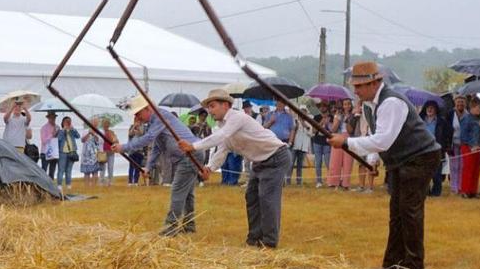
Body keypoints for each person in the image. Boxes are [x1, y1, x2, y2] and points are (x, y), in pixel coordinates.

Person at [328, 62, 441, 269]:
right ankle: (393, 265)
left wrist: (347, 142)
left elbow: (383, 140)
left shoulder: (390, 102)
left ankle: (415, 268)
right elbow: (376, 135)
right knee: (396, 212)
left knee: (409, 211)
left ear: (374, 83)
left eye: (359, 86)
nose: (356, 90)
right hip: (401, 160)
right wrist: (371, 161)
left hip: (419, 157)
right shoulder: (372, 105)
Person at [179, 89, 289, 248]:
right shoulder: (222, 126)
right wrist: (210, 168)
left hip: (276, 157)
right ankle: (254, 239)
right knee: (251, 197)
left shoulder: (237, 118)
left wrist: (193, 146)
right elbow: (222, 149)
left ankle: (269, 243)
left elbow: (221, 137)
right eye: (209, 107)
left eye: (213, 106)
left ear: (226, 105)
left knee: (267, 199)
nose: (210, 111)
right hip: (259, 161)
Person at [113, 97, 205, 235]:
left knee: (177, 191)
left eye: (138, 113)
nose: (136, 116)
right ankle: (189, 226)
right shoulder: (155, 121)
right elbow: (157, 146)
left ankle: (170, 228)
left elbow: (148, 139)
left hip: (189, 155)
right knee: (187, 193)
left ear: (148, 109)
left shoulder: (160, 117)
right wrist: (148, 167)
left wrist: (124, 147)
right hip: (187, 155)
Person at [419, 101, 449, 197]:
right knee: (423, 173)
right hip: (423, 150)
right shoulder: (419, 121)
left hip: (437, 149)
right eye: (428, 107)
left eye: (432, 108)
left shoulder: (442, 122)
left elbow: (447, 134)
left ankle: (436, 192)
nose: (430, 109)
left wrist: (445, 146)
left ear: (436, 110)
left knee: (437, 172)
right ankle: (425, 191)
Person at [455, 97, 480, 198]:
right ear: (472, 107)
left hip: (478, 147)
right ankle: (465, 191)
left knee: (476, 169)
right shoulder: (466, 119)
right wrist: (471, 146)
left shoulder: (478, 119)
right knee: (468, 169)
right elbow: (463, 135)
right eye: (478, 108)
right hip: (468, 147)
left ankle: (473, 191)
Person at [328, 99, 356, 190]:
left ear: (351, 105)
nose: (347, 106)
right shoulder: (338, 115)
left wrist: (348, 120)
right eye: (345, 104)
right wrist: (337, 119)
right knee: (335, 160)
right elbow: (333, 130)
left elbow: (351, 130)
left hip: (349, 138)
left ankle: (345, 184)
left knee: (348, 161)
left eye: (348, 104)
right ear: (342, 105)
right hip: (338, 136)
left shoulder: (353, 116)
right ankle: (333, 182)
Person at [447, 96, 467, 195]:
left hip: (464, 143)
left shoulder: (467, 114)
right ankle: (453, 187)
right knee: (453, 166)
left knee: (462, 166)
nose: (460, 104)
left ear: (465, 103)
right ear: (455, 103)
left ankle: (460, 186)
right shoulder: (450, 114)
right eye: (458, 102)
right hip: (453, 143)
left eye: (462, 102)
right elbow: (447, 128)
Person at [310, 103, 333, 187]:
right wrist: (322, 122)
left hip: (327, 142)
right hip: (317, 142)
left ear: (327, 107)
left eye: (324, 106)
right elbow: (313, 131)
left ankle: (330, 180)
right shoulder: (316, 117)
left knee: (328, 163)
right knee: (318, 163)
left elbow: (332, 130)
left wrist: (327, 123)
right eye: (321, 106)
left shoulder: (331, 117)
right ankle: (319, 181)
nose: (322, 108)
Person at [55, 117, 80, 189]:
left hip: (71, 152)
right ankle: (59, 185)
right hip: (62, 152)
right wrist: (63, 130)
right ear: (62, 123)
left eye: (69, 121)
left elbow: (78, 136)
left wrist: (73, 129)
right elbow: (58, 139)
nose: (67, 123)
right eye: (66, 122)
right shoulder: (60, 131)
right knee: (61, 169)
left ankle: (68, 184)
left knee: (69, 169)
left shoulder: (72, 131)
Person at [80, 120, 102, 186]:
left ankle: (94, 185)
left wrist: (94, 134)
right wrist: (88, 133)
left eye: (96, 124)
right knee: (86, 172)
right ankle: (86, 185)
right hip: (86, 155)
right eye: (93, 123)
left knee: (95, 171)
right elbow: (82, 140)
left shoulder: (99, 131)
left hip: (95, 154)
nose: (94, 125)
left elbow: (99, 141)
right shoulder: (85, 131)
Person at [100, 117, 120, 186]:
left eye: (107, 124)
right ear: (102, 124)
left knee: (110, 167)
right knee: (102, 167)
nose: (106, 125)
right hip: (103, 152)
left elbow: (116, 140)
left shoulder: (111, 132)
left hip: (110, 152)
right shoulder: (100, 132)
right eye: (105, 124)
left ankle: (110, 180)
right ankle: (102, 181)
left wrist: (113, 139)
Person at [40, 111, 59, 179]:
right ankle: (42, 185)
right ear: (48, 118)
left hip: (54, 152)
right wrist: (52, 135)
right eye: (51, 117)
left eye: (54, 117)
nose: (53, 119)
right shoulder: (44, 128)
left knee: (52, 171)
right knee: (43, 171)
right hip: (45, 152)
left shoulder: (57, 127)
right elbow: (44, 141)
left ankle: (51, 186)